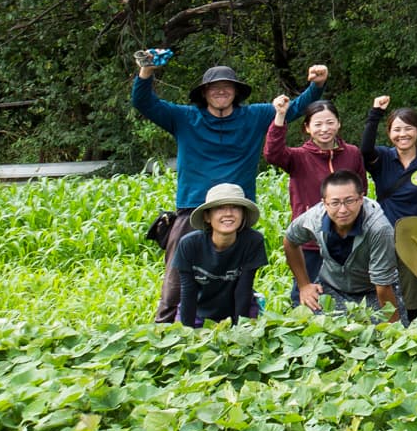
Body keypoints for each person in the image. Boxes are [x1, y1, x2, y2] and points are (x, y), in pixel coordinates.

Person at [133, 53, 329, 324]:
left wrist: (316, 86)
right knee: (177, 279)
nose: (221, 91)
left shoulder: (255, 115)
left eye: (227, 86)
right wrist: (146, 72)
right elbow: (144, 103)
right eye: (214, 87)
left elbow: (293, 110)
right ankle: (164, 331)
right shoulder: (185, 117)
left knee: (237, 276)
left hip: (237, 209)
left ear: (236, 91)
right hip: (193, 208)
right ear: (204, 93)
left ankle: (237, 328)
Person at [359, 97, 417, 320]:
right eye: (396, 129)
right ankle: (392, 335)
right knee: (384, 292)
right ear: (389, 133)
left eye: (408, 128)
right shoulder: (383, 159)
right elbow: (365, 149)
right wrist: (375, 113)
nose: (402, 134)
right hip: (386, 235)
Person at [281, 171, 400, 316]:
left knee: (376, 331)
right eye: (335, 203)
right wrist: (304, 285)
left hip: (372, 289)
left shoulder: (379, 229)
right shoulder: (314, 219)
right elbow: (290, 240)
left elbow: (383, 285)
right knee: (316, 328)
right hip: (331, 285)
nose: (343, 210)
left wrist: (392, 330)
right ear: (324, 203)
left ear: (361, 198)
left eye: (349, 201)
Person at [172, 182, 267, 327]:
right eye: (219, 208)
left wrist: (238, 329)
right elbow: (188, 292)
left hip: (239, 308)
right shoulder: (189, 245)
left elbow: (243, 290)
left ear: (243, 214)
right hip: (199, 309)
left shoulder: (253, 241)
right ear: (207, 217)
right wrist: (186, 333)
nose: (228, 213)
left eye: (235, 207)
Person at [264, 93, 364, 221]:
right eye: (318, 124)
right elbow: (272, 154)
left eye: (330, 123)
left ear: (339, 124)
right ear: (307, 128)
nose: (324, 129)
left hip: (348, 230)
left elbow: (361, 191)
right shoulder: (299, 157)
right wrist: (280, 115)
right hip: (310, 233)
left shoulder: (352, 153)